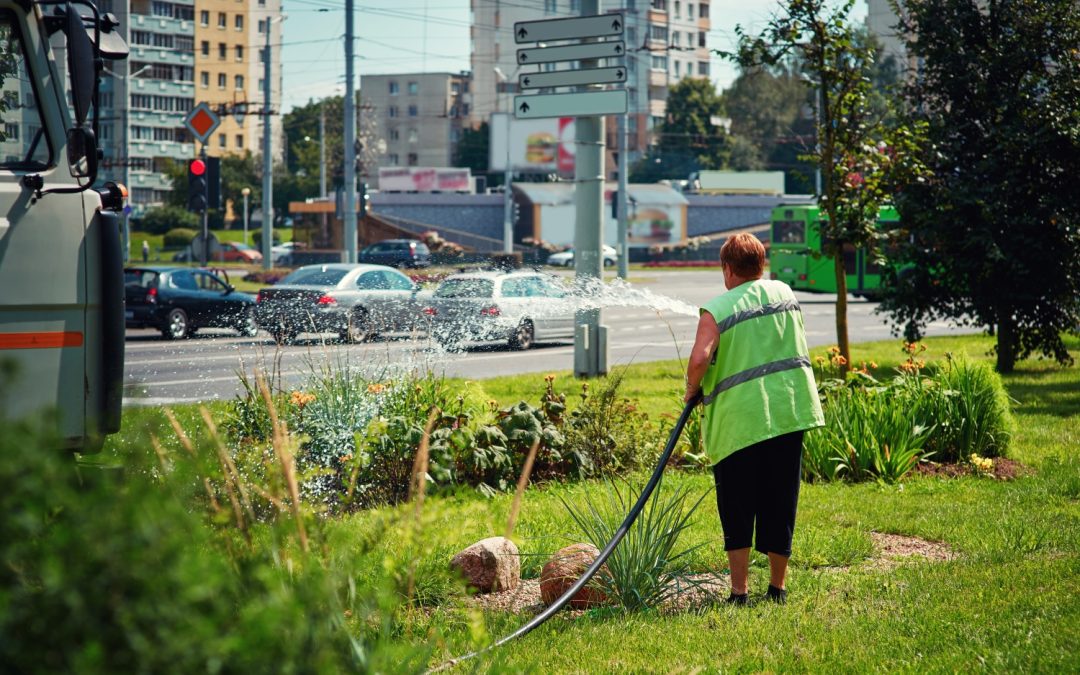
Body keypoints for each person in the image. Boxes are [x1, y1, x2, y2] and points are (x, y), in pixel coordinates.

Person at [684, 233, 824, 606]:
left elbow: (700, 359)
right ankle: (777, 587)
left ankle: (739, 592)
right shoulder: (786, 295)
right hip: (787, 413)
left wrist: (690, 389)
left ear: (728, 269)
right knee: (781, 500)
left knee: (738, 504)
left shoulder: (717, 309)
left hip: (739, 422)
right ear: (761, 266)